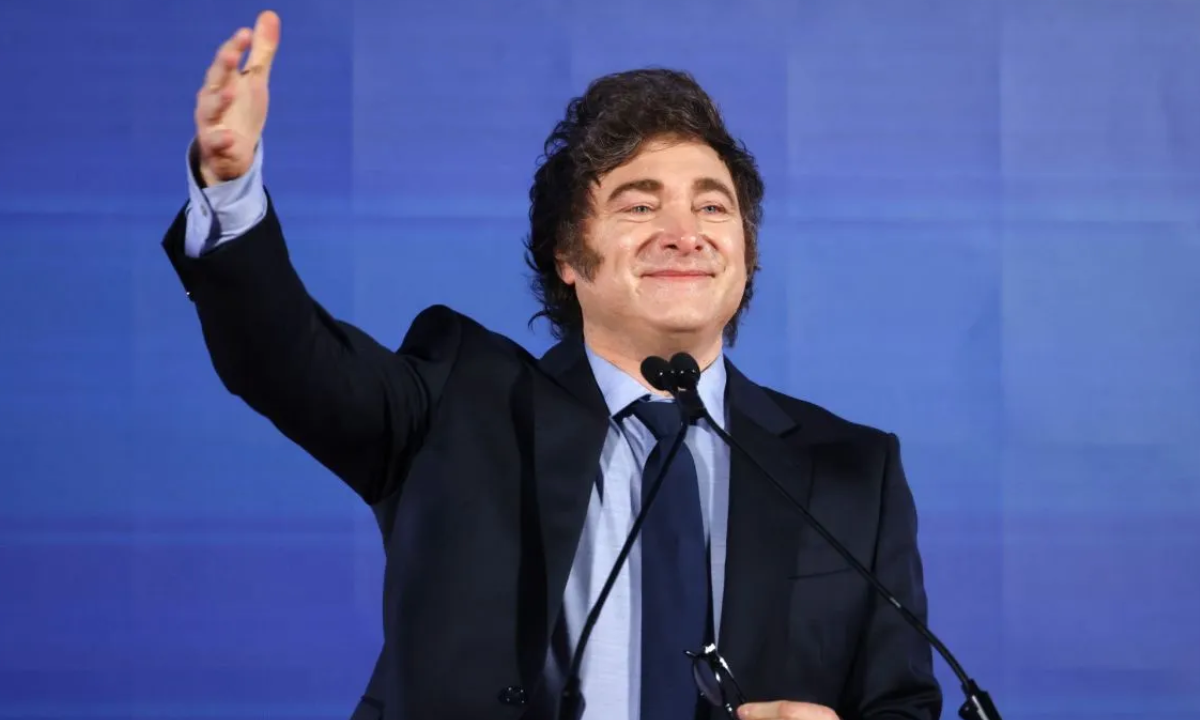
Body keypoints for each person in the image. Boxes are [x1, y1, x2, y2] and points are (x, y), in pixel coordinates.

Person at [163, 10, 943, 720]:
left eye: (712, 206)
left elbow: (901, 703)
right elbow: (287, 359)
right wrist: (231, 188)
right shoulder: (456, 406)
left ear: (745, 253)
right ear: (568, 255)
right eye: (640, 205)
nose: (685, 231)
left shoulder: (852, 472)